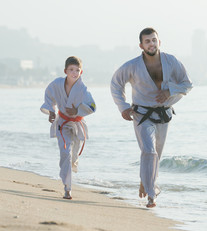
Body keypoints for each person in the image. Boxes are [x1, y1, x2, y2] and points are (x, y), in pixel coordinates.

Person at [111, 27, 193, 208]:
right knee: (149, 151)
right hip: (141, 114)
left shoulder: (171, 61)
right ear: (141, 45)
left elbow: (187, 84)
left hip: (164, 114)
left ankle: (145, 180)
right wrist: (123, 106)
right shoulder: (132, 65)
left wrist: (169, 90)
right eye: (147, 41)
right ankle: (151, 194)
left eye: (154, 40)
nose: (151, 44)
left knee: (157, 155)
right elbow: (116, 83)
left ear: (159, 42)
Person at [40, 56, 96, 200]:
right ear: (65, 71)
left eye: (77, 70)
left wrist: (77, 111)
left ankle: (69, 175)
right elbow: (48, 97)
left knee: (73, 156)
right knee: (65, 152)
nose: (74, 73)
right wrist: (51, 111)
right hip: (62, 123)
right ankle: (67, 188)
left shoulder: (82, 89)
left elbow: (92, 106)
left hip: (77, 124)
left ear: (81, 72)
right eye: (71, 70)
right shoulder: (57, 84)